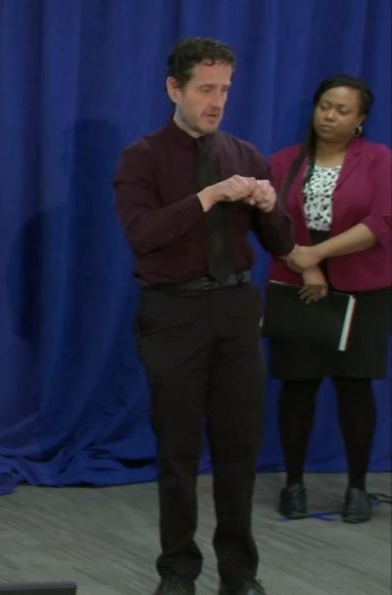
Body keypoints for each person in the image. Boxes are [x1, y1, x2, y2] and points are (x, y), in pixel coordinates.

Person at [113, 37, 297, 595]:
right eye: (205, 90)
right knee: (178, 450)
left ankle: (241, 575)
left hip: (237, 309)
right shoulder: (141, 158)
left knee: (239, 448)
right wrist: (208, 196)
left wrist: (269, 206)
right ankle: (177, 571)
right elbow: (142, 236)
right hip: (174, 312)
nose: (215, 102)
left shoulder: (245, 154)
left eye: (223, 90)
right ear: (175, 88)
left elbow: (283, 243)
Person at [267, 75, 391, 524]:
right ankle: (293, 485)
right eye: (324, 106)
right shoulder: (283, 162)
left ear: (360, 120)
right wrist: (307, 265)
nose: (330, 116)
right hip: (298, 284)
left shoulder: (379, 160)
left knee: (355, 386)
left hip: (364, 289)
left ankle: (357, 487)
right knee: (298, 385)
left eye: (342, 110)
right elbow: (270, 221)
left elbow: (383, 221)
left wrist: (317, 254)